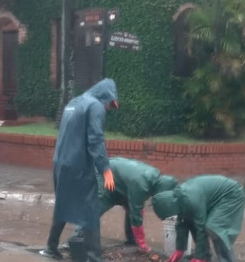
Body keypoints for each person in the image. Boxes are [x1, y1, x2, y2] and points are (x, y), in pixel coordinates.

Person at [40, 79, 120, 262]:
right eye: (110, 104)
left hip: (60, 162)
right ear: (106, 96)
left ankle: (51, 248)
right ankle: (94, 258)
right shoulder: (95, 106)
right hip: (78, 165)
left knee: (63, 203)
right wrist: (106, 169)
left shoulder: (74, 102)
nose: (109, 108)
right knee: (90, 209)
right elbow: (95, 140)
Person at [63, 157, 179, 254]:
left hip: (119, 179)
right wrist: (142, 242)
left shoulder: (153, 177)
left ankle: (131, 240)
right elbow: (136, 212)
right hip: (105, 174)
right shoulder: (141, 185)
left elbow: (136, 207)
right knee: (97, 207)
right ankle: (75, 240)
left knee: (132, 207)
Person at [151, 175, 245, 262]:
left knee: (214, 227)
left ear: (168, 208)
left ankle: (227, 259)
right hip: (213, 198)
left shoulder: (190, 199)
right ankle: (206, 257)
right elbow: (182, 222)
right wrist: (180, 249)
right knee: (191, 221)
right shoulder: (178, 200)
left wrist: (199, 257)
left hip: (231, 194)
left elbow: (201, 227)